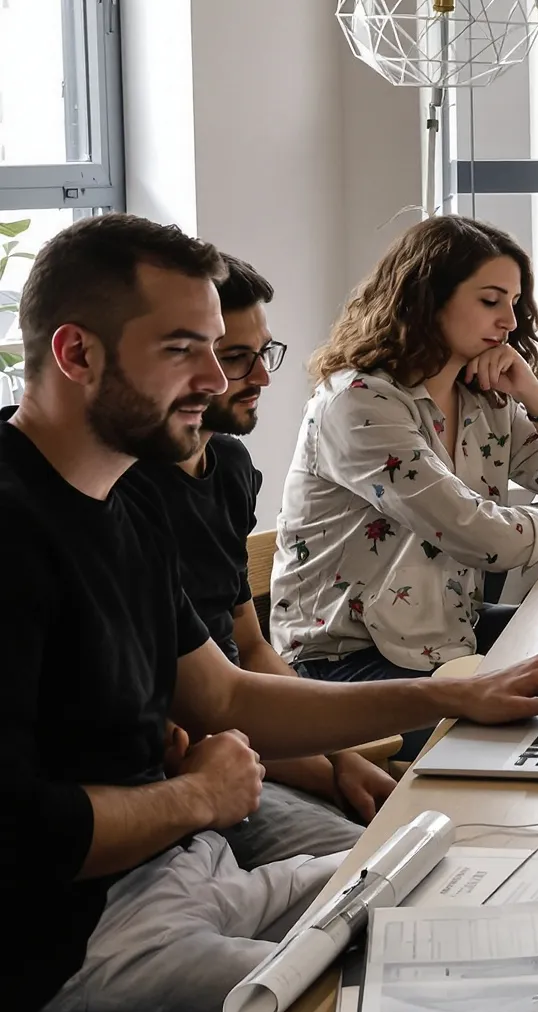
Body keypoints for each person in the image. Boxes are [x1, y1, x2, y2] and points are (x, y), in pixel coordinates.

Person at [0, 213, 538, 1012]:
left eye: (219, 351)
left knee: (468, 900)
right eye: (184, 351)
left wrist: (456, 696)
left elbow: (225, 692)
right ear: (74, 353)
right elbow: (21, 834)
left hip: (179, 877)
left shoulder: (121, 499)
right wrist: (198, 797)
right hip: (51, 979)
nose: (219, 381)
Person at [273, 216, 538, 687]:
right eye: (489, 301)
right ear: (427, 298)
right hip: (345, 663)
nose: (511, 321)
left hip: (447, 637)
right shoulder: (358, 404)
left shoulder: (481, 396)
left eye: (515, 303)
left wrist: (534, 396)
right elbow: (486, 537)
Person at [121, 254, 393, 861]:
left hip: (252, 738)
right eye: (234, 357)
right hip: (208, 759)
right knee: (374, 871)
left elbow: (249, 646)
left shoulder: (231, 468)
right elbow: (204, 706)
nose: (260, 378)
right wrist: (327, 772)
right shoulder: (124, 493)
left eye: (260, 353)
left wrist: (343, 758)